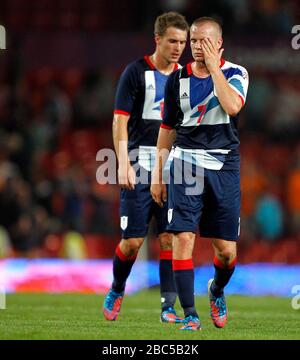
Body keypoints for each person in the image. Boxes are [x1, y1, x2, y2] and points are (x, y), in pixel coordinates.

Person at [151, 17, 249, 330]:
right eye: (194, 41)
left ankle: (216, 290)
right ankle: (191, 315)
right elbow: (167, 129)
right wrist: (158, 173)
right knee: (182, 237)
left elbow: (232, 107)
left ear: (219, 44)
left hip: (223, 165)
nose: (197, 47)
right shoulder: (176, 78)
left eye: (204, 41)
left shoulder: (236, 73)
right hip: (184, 162)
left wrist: (213, 67)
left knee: (226, 252)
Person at [103, 12, 189, 323]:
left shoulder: (188, 77)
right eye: (172, 41)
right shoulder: (135, 72)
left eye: (183, 42)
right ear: (157, 39)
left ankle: (168, 307)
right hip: (139, 163)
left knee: (170, 239)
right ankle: (116, 287)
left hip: (173, 167)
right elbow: (119, 120)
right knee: (132, 243)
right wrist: (123, 162)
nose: (179, 47)